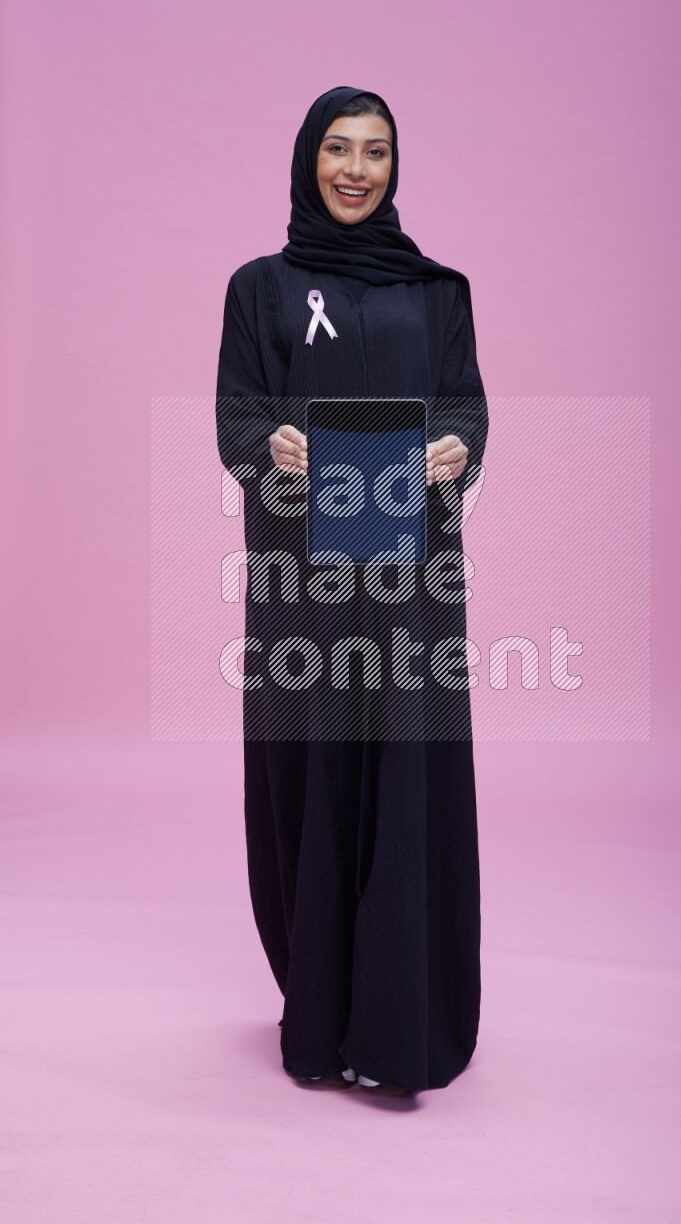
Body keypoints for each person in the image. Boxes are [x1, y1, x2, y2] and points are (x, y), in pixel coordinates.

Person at [215, 86, 489, 1094]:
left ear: (394, 167)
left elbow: (466, 405)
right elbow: (234, 417)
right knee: (315, 774)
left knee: (406, 777)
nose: (356, 168)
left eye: (375, 151)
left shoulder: (438, 291)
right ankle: (320, 1012)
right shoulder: (260, 288)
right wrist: (268, 440)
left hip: (412, 581)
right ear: (307, 157)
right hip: (304, 584)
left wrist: (459, 447)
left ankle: (404, 1025)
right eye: (338, 147)